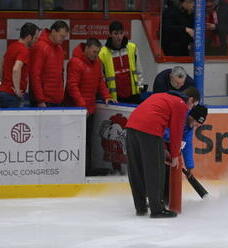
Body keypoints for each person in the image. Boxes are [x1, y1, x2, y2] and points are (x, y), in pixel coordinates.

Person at [125, 87, 200, 218]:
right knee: (155, 170)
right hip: (150, 130)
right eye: (194, 105)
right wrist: (175, 155)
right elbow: (176, 132)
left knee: (136, 169)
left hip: (131, 127)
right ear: (191, 100)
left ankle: (140, 207)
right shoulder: (180, 104)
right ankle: (157, 209)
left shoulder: (162, 96)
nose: (191, 108)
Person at [65, 38, 112, 176]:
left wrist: (107, 96)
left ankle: (86, 169)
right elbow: (72, 86)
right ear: (86, 49)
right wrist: (81, 106)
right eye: (93, 52)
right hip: (76, 111)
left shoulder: (97, 63)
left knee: (88, 140)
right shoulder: (75, 62)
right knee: (76, 141)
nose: (95, 55)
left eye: (97, 52)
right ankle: (74, 169)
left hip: (89, 109)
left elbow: (100, 82)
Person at [163, 104, 208, 205]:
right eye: (198, 122)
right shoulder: (179, 116)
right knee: (161, 171)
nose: (198, 125)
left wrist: (189, 166)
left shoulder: (189, 127)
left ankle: (165, 200)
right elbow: (164, 131)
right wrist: (174, 140)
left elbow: (187, 145)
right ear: (192, 117)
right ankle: (156, 199)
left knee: (169, 172)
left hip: (170, 147)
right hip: (158, 142)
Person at [98, 20, 143, 104]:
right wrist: (107, 95)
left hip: (133, 94)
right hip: (115, 98)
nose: (119, 37)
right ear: (110, 34)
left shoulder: (132, 48)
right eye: (116, 33)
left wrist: (140, 86)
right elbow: (101, 78)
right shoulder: (103, 53)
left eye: (121, 33)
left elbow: (138, 69)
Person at [29, 20, 69, 107]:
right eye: (61, 36)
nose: (63, 39)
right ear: (53, 32)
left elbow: (61, 75)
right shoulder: (40, 47)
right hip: (44, 100)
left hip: (56, 99)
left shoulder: (60, 49)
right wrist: (40, 100)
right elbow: (34, 75)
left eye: (64, 37)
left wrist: (61, 96)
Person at [0, 22, 40, 108]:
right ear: (29, 37)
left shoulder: (12, 46)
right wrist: (17, 89)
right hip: (12, 96)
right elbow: (16, 69)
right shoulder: (23, 50)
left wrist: (2, 81)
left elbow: (2, 62)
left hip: (3, 92)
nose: (36, 41)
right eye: (36, 38)